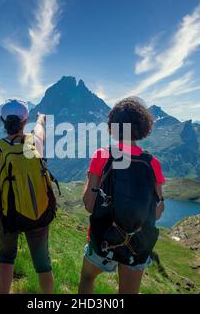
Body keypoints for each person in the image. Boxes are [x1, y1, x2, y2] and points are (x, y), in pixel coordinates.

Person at [78, 97, 166, 294]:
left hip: (104, 239)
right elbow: (158, 211)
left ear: (113, 127)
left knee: (87, 278)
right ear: (143, 127)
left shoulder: (102, 156)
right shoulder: (152, 163)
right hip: (137, 243)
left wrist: (89, 179)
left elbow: (89, 205)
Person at [0, 99, 55, 294]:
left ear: (3, 121)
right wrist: (41, 119)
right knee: (43, 263)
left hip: (7, 212)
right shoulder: (35, 142)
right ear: (25, 122)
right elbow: (40, 128)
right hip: (39, 212)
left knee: (6, 257)